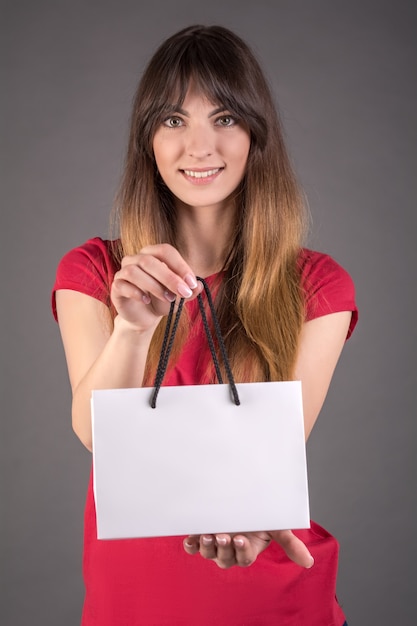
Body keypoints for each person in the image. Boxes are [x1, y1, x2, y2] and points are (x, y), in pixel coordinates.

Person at [52, 24, 357, 626]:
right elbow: (97, 436)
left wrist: (249, 520)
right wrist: (132, 329)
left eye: (224, 118)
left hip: (277, 598)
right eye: (172, 120)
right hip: (132, 606)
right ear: (147, 141)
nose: (199, 146)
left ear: (255, 136)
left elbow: (270, 458)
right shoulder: (93, 271)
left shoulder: (317, 286)